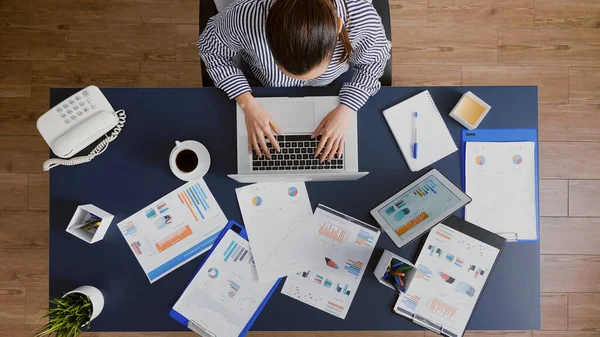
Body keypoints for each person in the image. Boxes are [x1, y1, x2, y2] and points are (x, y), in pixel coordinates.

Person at [198, 0, 391, 162]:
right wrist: (247, 103)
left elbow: (372, 63)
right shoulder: (244, 18)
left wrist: (347, 108)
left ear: (338, 26)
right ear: (268, 35)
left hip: (334, 83)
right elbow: (211, 50)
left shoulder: (360, 19)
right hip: (261, 84)